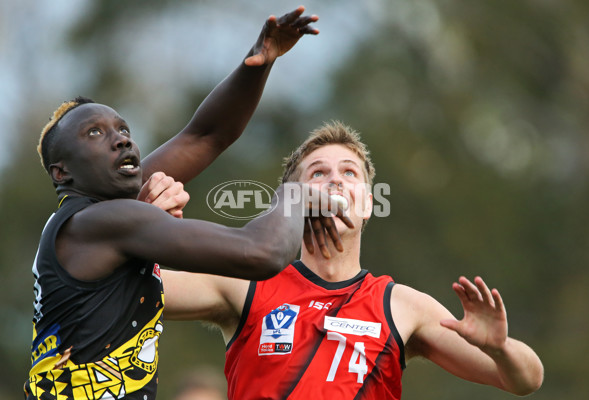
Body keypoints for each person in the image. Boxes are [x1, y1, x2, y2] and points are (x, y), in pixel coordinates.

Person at [24, 7, 352, 400]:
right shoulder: (105, 219)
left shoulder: (95, 214)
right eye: (95, 133)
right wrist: (294, 194)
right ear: (62, 174)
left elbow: (206, 136)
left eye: (123, 129)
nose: (122, 139)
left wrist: (258, 63)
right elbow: (260, 253)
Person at [161, 121, 544, 399]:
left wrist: (499, 348)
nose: (335, 181)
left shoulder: (402, 306)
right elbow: (137, 288)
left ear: (370, 204)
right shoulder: (245, 284)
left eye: (349, 172)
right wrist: (149, 219)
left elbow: (525, 380)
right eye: (318, 173)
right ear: (292, 199)